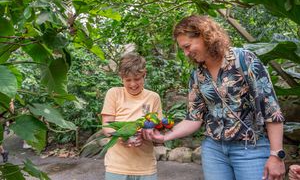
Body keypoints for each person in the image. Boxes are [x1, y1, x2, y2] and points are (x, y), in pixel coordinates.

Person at [142, 15, 286, 180]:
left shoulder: (245, 60)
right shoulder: (197, 75)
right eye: (183, 49)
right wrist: (165, 136)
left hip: (250, 148)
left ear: (205, 36)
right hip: (214, 150)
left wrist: (276, 155)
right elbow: (194, 118)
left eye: (187, 47)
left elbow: (271, 110)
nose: (186, 53)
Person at [101, 52, 162, 180]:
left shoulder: (153, 98)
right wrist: (124, 138)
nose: (133, 84)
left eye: (137, 79)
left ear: (144, 74)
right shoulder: (114, 94)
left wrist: (148, 135)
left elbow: (158, 130)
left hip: (146, 168)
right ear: (121, 77)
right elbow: (107, 127)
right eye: (128, 80)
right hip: (117, 167)